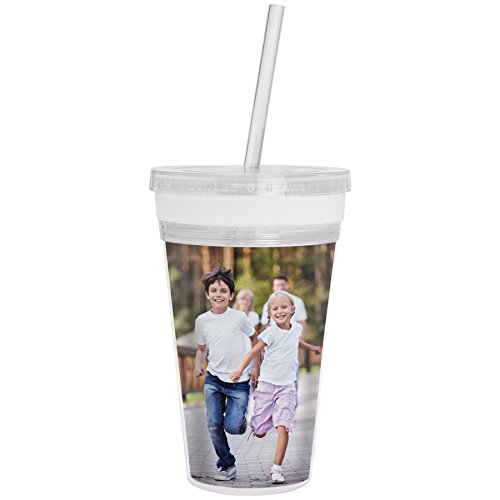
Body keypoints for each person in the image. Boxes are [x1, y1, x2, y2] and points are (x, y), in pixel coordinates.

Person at [230, 291, 321, 484]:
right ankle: (267, 417)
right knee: (260, 432)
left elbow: (296, 341)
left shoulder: (296, 328)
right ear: (270, 314)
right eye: (275, 308)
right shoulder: (270, 333)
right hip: (267, 385)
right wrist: (240, 369)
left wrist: (311, 347)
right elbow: (253, 351)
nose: (280, 311)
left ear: (293, 309)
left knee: (284, 426)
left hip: (287, 387)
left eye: (284, 307)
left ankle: (277, 469)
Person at [193, 266, 260, 481]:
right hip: (213, 379)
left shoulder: (239, 317)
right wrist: (198, 363)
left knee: (232, 426)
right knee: (213, 424)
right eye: (213, 290)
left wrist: (255, 368)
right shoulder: (202, 321)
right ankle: (227, 464)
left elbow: (255, 340)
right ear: (207, 294)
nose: (218, 295)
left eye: (223, 291)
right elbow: (201, 349)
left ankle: (239, 422)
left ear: (231, 295)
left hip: (238, 382)